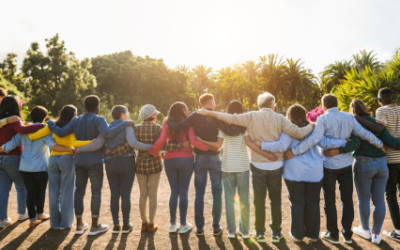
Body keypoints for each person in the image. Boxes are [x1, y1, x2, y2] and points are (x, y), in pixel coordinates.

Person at [196, 92, 314, 243]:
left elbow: (230, 118)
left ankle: (258, 233)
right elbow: (298, 133)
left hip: (255, 165)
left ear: (259, 105)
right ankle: (276, 233)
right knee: (275, 200)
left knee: (258, 200)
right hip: (275, 165)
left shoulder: (250, 116)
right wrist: (312, 125)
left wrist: (208, 112)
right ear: (272, 105)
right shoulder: (280, 118)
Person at [284, 94, 383, 245]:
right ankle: (348, 235)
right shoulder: (349, 117)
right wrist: (378, 143)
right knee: (347, 200)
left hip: (328, 165)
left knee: (329, 201)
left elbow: (315, 140)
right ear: (336, 104)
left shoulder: (322, 119)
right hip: (346, 165)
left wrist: (295, 151)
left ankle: (333, 234)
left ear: (323, 106)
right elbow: (364, 133)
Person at [255, 105, 347, 243]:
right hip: (314, 171)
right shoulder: (314, 128)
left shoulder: (288, 130)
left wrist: (262, 144)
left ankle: (298, 235)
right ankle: (314, 235)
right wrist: (344, 141)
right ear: (304, 114)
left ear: (289, 116)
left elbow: (280, 146)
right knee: (313, 203)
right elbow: (325, 142)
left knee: (297, 203)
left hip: (294, 172)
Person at [46, 95, 133, 235]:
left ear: (84, 106)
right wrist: (126, 123)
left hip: (79, 161)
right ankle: (94, 225)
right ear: (97, 106)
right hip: (95, 161)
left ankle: (79, 225)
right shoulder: (99, 119)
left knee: (79, 191)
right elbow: (108, 133)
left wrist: (50, 123)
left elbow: (61, 132)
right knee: (95, 192)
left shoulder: (75, 119)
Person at [166, 94, 246, 236]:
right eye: (214, 102)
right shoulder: (216, 116)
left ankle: (199, 227)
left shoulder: (194, 116)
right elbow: (229, 130)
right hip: (215, 158)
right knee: (217, 194)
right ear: (211, 102)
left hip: (200, 159)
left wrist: (167, 122)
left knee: (199, 194)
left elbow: (179, 126)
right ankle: (216, 227)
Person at [197, 100, 279, 239]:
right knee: (244, 201)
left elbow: (217, 146)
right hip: (243, 167)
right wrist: (266, 154)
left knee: (229, 201)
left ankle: (231, 231)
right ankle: (245, 231)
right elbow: (250, 144)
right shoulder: (244, 126)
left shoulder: (222, 127)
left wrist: (201, 141)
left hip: (227, 167)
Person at [324, 99, 400, 244]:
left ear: (352, 110)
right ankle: (377, 234)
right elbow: (389, 140)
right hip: (382, 163)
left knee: (364, 200)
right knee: (379, 200)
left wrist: (339, 149)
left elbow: (356, 142)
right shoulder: (376, 122)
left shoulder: (354, 122)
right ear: (364, 108)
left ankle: (365, 230)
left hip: (364, 163)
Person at [107, 104, 181, 233]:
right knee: (152, 195)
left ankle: (143, 223)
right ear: (152, 115)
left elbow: (129, 146)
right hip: (155, 164)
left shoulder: (136, 128)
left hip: (140, 164)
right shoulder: (158, 128)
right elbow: (164, 146)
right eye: (155, 114)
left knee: (143, 194)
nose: (156, 115)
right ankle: (151, 224)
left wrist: (113, 152)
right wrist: (180, 146)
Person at [27, 105, 100, 230]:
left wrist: (30, 125)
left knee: (54, 192)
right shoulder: (71, 127)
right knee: (67, 192)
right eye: (76, 113)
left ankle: (55, 224)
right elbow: (76, 143)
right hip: (67, 159)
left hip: (53, 160)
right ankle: (65, 224)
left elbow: (32, 136)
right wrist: (90, 141)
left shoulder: (53, 126)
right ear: (72, 114)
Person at [0, 106, 73, 228]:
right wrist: (70, 150)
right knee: (41, 191)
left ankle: (33, 219)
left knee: (30, 192)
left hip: (24, 168)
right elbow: (53, 146)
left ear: (31, 117)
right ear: (44, 118)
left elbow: (10, 145)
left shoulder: (23, 131)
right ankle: (40, 213)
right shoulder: (44, 131)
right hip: (41, 168)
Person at [146, 102, 211, 234]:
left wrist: (152, 152)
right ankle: (183, 225)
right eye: (186, 108)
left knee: (174, 191)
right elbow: (193, 141)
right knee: (183, 192)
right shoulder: (188, 123)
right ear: (182, 110)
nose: (187, 111)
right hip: (186, 160)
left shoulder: (167, 123)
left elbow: (161, 142)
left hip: (169, 160)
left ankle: (172, 224)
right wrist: (210, 148)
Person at [102, 105, 155, 234]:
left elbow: (102, 144)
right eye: (127, 113)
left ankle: (116, 225)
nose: (128, 115)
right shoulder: (128, 126)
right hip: (126, 162)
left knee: (114, 195)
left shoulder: (107, 127)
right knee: (125, 195)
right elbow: (133, 143)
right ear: (122, 115)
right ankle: (126, 225)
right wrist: (151, 147)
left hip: (110, 164)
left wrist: (109, 152)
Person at [0, 96, 45, 228]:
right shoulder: (15, 119)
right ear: (16, 106)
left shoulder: (1, 120)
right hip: (13, 157)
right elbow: (22, 130)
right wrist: (43, 125)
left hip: (0, 157)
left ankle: (2, 219)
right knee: (22, 186)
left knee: (3, 189)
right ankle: (22, 213)